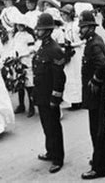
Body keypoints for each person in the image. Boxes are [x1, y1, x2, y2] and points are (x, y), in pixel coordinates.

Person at [78, 10, 105, 180]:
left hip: (96, 92)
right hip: (95, 91)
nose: (80, 30)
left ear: (90, 27)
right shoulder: (92, 41)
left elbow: (103, 65)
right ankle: (102, 161)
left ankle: (99, 167)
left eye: (83, 27)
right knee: (99, 127)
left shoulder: (94, 44)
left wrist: (95, 81)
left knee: (97, 129)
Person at [32, 13, 66, 173]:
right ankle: (50, 151)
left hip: (50, 95)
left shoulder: (55, 49)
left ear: (47, 31)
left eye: (39, 30)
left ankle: (58, 158)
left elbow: (59, 77)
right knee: (46, 126)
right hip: (41, 94)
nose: (37, 32)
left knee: (54, 127)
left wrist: (55, 97)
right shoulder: (43, 47)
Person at [9, 15, 36, 117]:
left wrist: (21, 55)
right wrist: (13, 56)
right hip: (18, 62)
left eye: (21, 25)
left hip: (26, 61)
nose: (19, 27)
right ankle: (21, 105)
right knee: (20, 84)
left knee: (29, 85)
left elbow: (31, 49)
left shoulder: (29, 36)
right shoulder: (16, 35)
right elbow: (14, 47)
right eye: (17, 25)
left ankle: (32, 106)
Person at [60, 4, 84, 110]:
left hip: (78, 52)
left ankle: (80, 99)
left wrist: (74, 44)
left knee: (78, 74)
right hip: (69, 53)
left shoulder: (77, 25)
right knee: (70, 76)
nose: (63, 16)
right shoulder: (65, 25)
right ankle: (73, 100)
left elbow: (82, 39)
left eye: (64, 14)